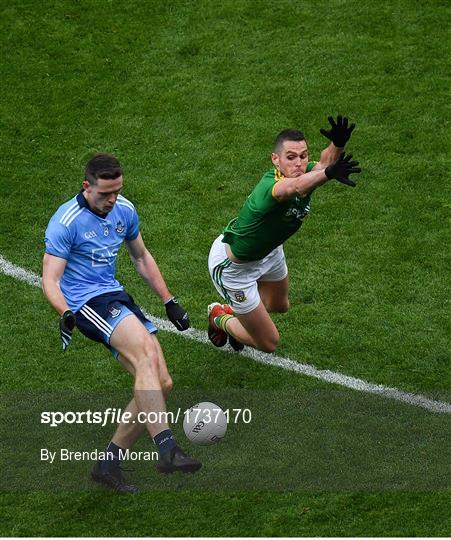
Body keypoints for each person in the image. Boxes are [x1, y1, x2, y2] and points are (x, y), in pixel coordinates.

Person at [43, 153, 201, 494]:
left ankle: (109, 463)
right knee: (146, 353)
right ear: (86, 187)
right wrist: (64, 312)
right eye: (105, 194)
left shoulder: (123, 210)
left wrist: (168, 300)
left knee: (161, 383)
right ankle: (167, 448)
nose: (112, 200)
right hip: (85, 303)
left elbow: (140, 256)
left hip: (114, 295)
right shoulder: (65, 222)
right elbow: (50, 280)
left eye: (117, 191)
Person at [207, 115, 361, 353]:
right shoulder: (271, 188)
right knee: (268, 343)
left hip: (269, 251)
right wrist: (329, 173)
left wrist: (337, 144)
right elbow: (295, 188)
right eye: (291, 157)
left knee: (279, 305)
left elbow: (322, 166)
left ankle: (242, 317)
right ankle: (219, 317)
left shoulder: (304, 174)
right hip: (235, 268)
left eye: (303, 156)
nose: (299, 163)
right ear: (275, 160)